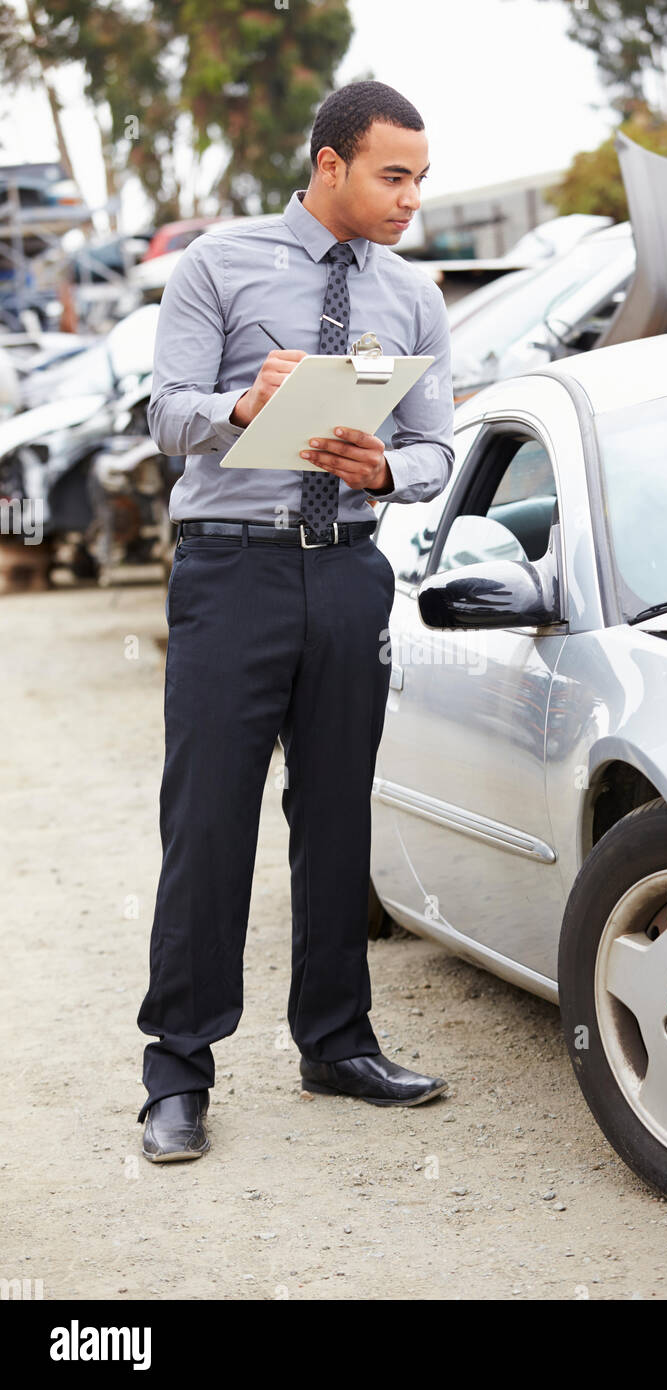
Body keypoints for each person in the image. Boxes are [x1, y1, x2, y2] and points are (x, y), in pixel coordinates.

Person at [136, 81, 455, 1162]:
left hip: (349, 577)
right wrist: (239, 405)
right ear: (329, 165)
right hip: (231, 577)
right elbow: (164, 412)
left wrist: (388, 466)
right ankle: (177, 1072)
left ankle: (335, 1040)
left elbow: (436, 450)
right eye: (391, 175)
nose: (410, 197)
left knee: (336, 819)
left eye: (418, 176)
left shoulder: (413, 296)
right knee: (209, 823)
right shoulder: (217, 265)